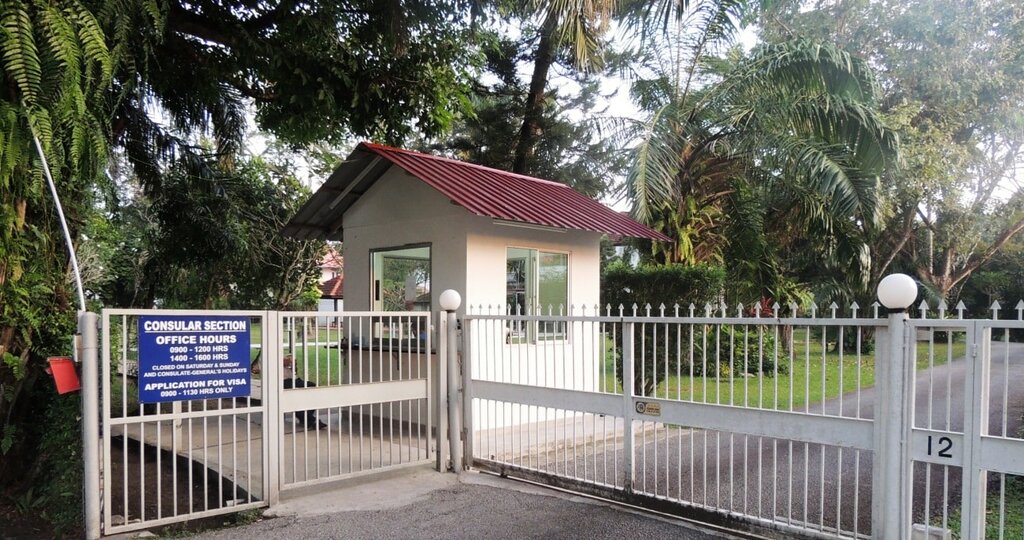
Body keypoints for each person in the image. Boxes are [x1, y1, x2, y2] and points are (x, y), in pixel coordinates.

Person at [282, 354, 328, 430]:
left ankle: (307, 418)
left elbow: (294, 372)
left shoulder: (288, 364)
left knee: (311, 387)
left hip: (293, 380)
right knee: (295, 397)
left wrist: (293, 365)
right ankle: (311, 420)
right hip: (284, 381)